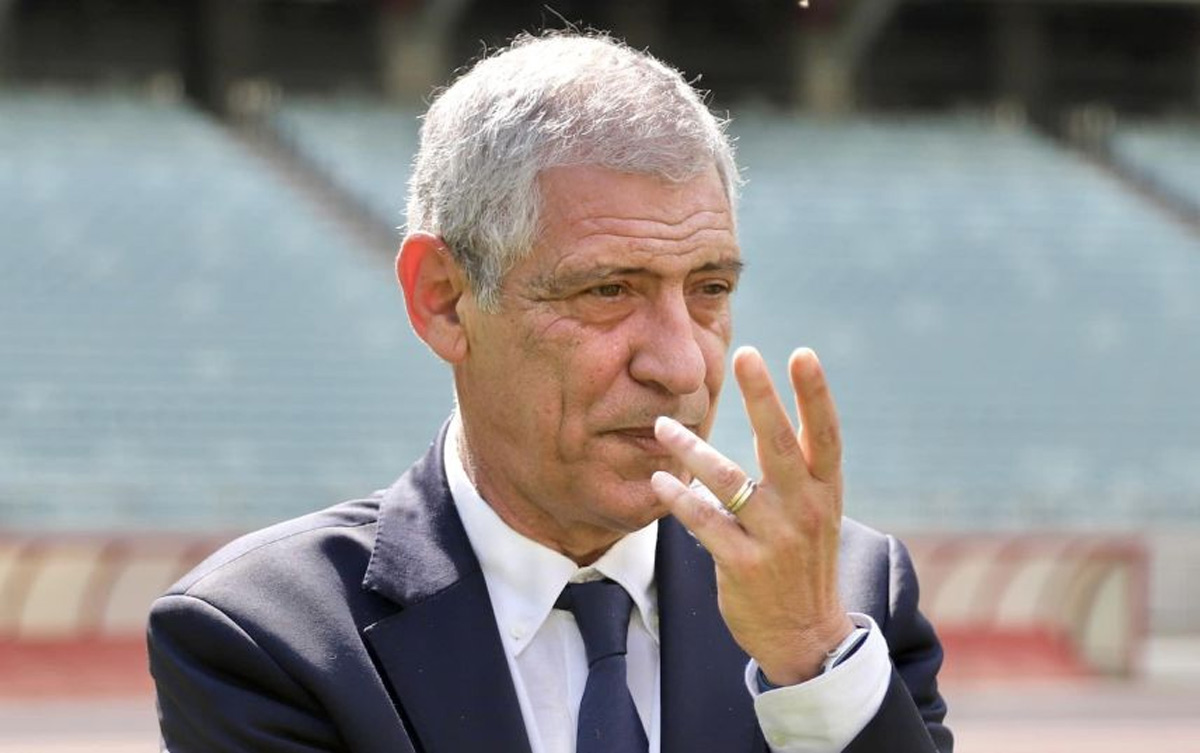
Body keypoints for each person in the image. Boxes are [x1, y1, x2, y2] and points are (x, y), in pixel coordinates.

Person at [147, 31, 952, 753]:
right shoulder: (268, 634)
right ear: (444, 300)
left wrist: (810, 660)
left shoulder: (849, 605)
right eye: (608, 290)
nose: (682, 366)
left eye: (709, 288)